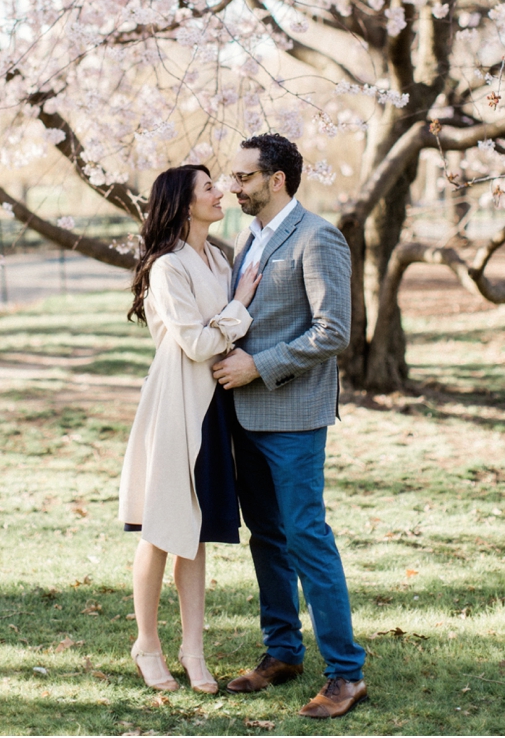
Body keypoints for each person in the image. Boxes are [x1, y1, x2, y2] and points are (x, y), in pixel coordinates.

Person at [212, 133, 367, 719]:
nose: (234, 186)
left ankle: (346, 674)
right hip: (244, 416)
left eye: (244, 176)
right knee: (268, 537)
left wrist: (259, 364)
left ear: (276, 180)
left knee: (306, 537)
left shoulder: (318, 237)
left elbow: (333, 330)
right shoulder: (248, 240)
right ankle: (283, 652)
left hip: (294, 417)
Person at [119, 164, 260, 694]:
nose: (219, 192)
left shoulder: (220, 259)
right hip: (177, 401)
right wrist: (239, 306)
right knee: (162, 528)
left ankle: (193, 651)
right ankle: (147, 644)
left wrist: (231, 312)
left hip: (215, 405)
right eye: (208, 188)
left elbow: (216, 337)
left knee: (196, 534)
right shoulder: (166, 268)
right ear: (184, 204)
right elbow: (199, 344)